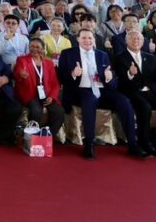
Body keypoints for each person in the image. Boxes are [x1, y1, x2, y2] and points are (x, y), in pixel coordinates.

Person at [58, 28, 146, 160]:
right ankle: (89, 144)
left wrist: (110, 77)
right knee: (90, 101)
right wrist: (73, 74)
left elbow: (113, 81)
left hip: (103, 89)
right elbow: (61, 78)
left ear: (94, 40)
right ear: (78, 39)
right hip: (81, 89)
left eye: (90, 38)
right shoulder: (67, 53)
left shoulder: (102, 54)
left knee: (124, 101)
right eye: (84, 38)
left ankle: (133, 144)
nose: (87, 40)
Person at [114, 30, 156, 154]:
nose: (136, 41)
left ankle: (153, 140)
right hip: (131, 91)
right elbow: (120, 80)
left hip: (150, 91)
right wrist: (130, 74)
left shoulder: (151, 57)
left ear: (143, 41)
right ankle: (144, 142)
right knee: (145, 108)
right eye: (132, 38)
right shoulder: (119, 58)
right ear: (126, 41)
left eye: (138, 39)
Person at [12, 38, 64, 137]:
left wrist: (52, 97)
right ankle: (31, 137)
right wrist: (20, 74)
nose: (34, 49)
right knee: (36, 111)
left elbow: (55, 83)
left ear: (43, 48)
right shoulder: (22, 60)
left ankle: (47, 136)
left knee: (59, 112)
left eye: (37, 47)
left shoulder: (49, 63)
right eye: (32, 46)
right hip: (30, 94)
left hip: (46, 94)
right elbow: (17, 72)